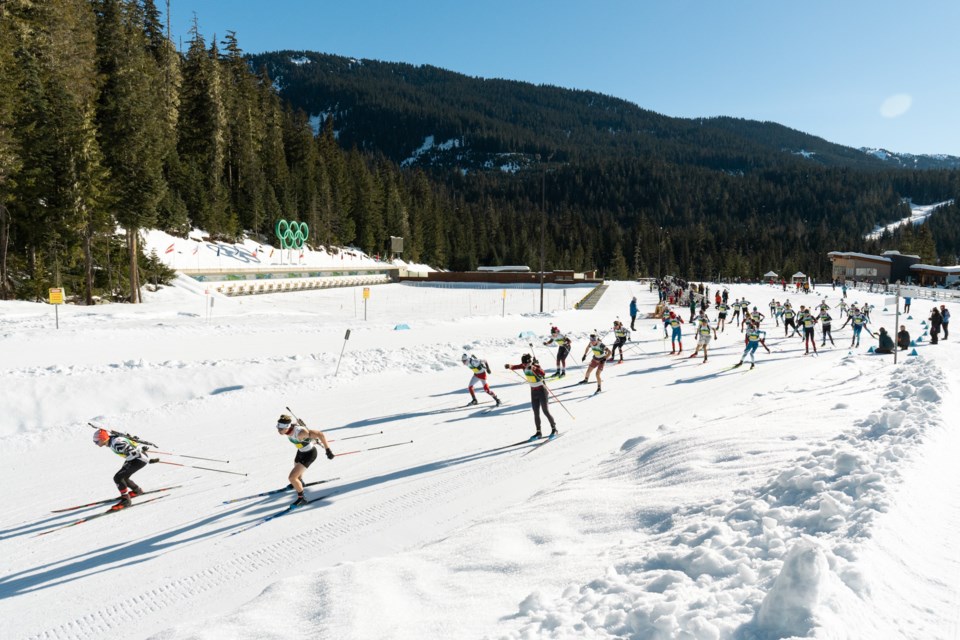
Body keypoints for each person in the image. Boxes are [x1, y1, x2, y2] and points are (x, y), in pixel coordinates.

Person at [276, 414, 335, 506]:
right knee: (297, 477)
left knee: (292, 478)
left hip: (309, 454)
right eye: (278, 428)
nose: (279, 431)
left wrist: (328, 450)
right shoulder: (289, 429)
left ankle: (302, 498)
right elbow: (294, 425)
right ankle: (300, 483)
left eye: (281, 429)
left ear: (287, 427)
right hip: (300, 452)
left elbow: (320, 434)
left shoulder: (300, 433)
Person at [92, 425, 160, 505]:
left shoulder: (117, 444)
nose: (96, 444)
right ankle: (137, 491)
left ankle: (126, 500)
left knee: (118, 478)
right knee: (123, 477)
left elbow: (135, 452)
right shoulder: (113, 438)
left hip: (138, 459)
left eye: (96, 442)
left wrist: (148, 460)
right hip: (133, 458)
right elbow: (128, 440)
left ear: (103, 439)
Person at [505, 354, 557, 439]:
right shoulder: (523, 365)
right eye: (524, 364)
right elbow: (515, 366)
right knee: (536, 413)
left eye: (526, 364)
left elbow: (543, 373)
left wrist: (534, 368)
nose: (524, 365)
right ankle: (538, 432)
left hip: (542, 391)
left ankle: (554, 429)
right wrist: (509, 366)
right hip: (533, 392)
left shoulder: (535, 366)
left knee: (545, 411)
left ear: (529, 362)